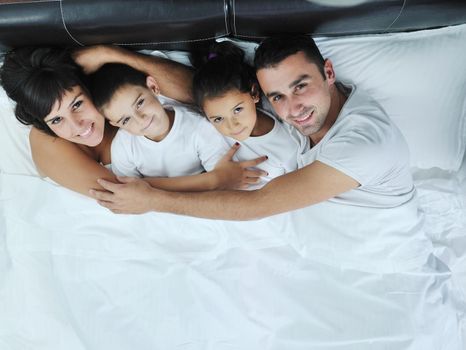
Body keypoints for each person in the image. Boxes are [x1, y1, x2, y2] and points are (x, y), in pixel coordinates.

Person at [89, 35, 415, 220]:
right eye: (278, 96)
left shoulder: (364, 143)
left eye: (301, 86)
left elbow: (257, 205)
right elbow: (206, 92)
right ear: (261, 93)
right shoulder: (275, 99)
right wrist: (113, 54)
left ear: (328, 72)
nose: (293, 108)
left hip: (381, 261)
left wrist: (152, 200)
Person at [0, 45, 264, 195]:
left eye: (78, 104)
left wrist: (110, 54)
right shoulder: (48, 142)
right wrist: (214, 181)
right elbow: (119, 193)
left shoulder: (123, 99)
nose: (79, 126)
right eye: (57, 120)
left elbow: (205, 96)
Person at [89, 62, 265, 190]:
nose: (140, 119)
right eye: (125, 120)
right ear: (115, 124)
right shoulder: (123, 146)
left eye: (140, 103)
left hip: (199, 199)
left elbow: (222, 180)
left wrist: (146, 187)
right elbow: (130, 191)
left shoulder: (198, 127)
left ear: (153, 87)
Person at [191, 41, 307, 189]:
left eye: (237, 110)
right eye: (218, 119)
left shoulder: (289, 145)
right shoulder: (208, 133)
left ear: (254, 93)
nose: (232, 125)